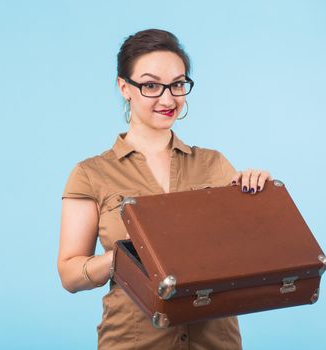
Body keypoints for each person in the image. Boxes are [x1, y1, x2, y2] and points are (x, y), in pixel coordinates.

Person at [57, 29, 272, 349]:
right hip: (134, 341)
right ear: (124, 87)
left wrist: (259, 197)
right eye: (151, 85)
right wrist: (127, 256)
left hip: (214, 340)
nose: (169, 98)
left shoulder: (215, 164)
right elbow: (70, 273)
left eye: (178, 84)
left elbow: (250, 252)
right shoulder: (91, 174)